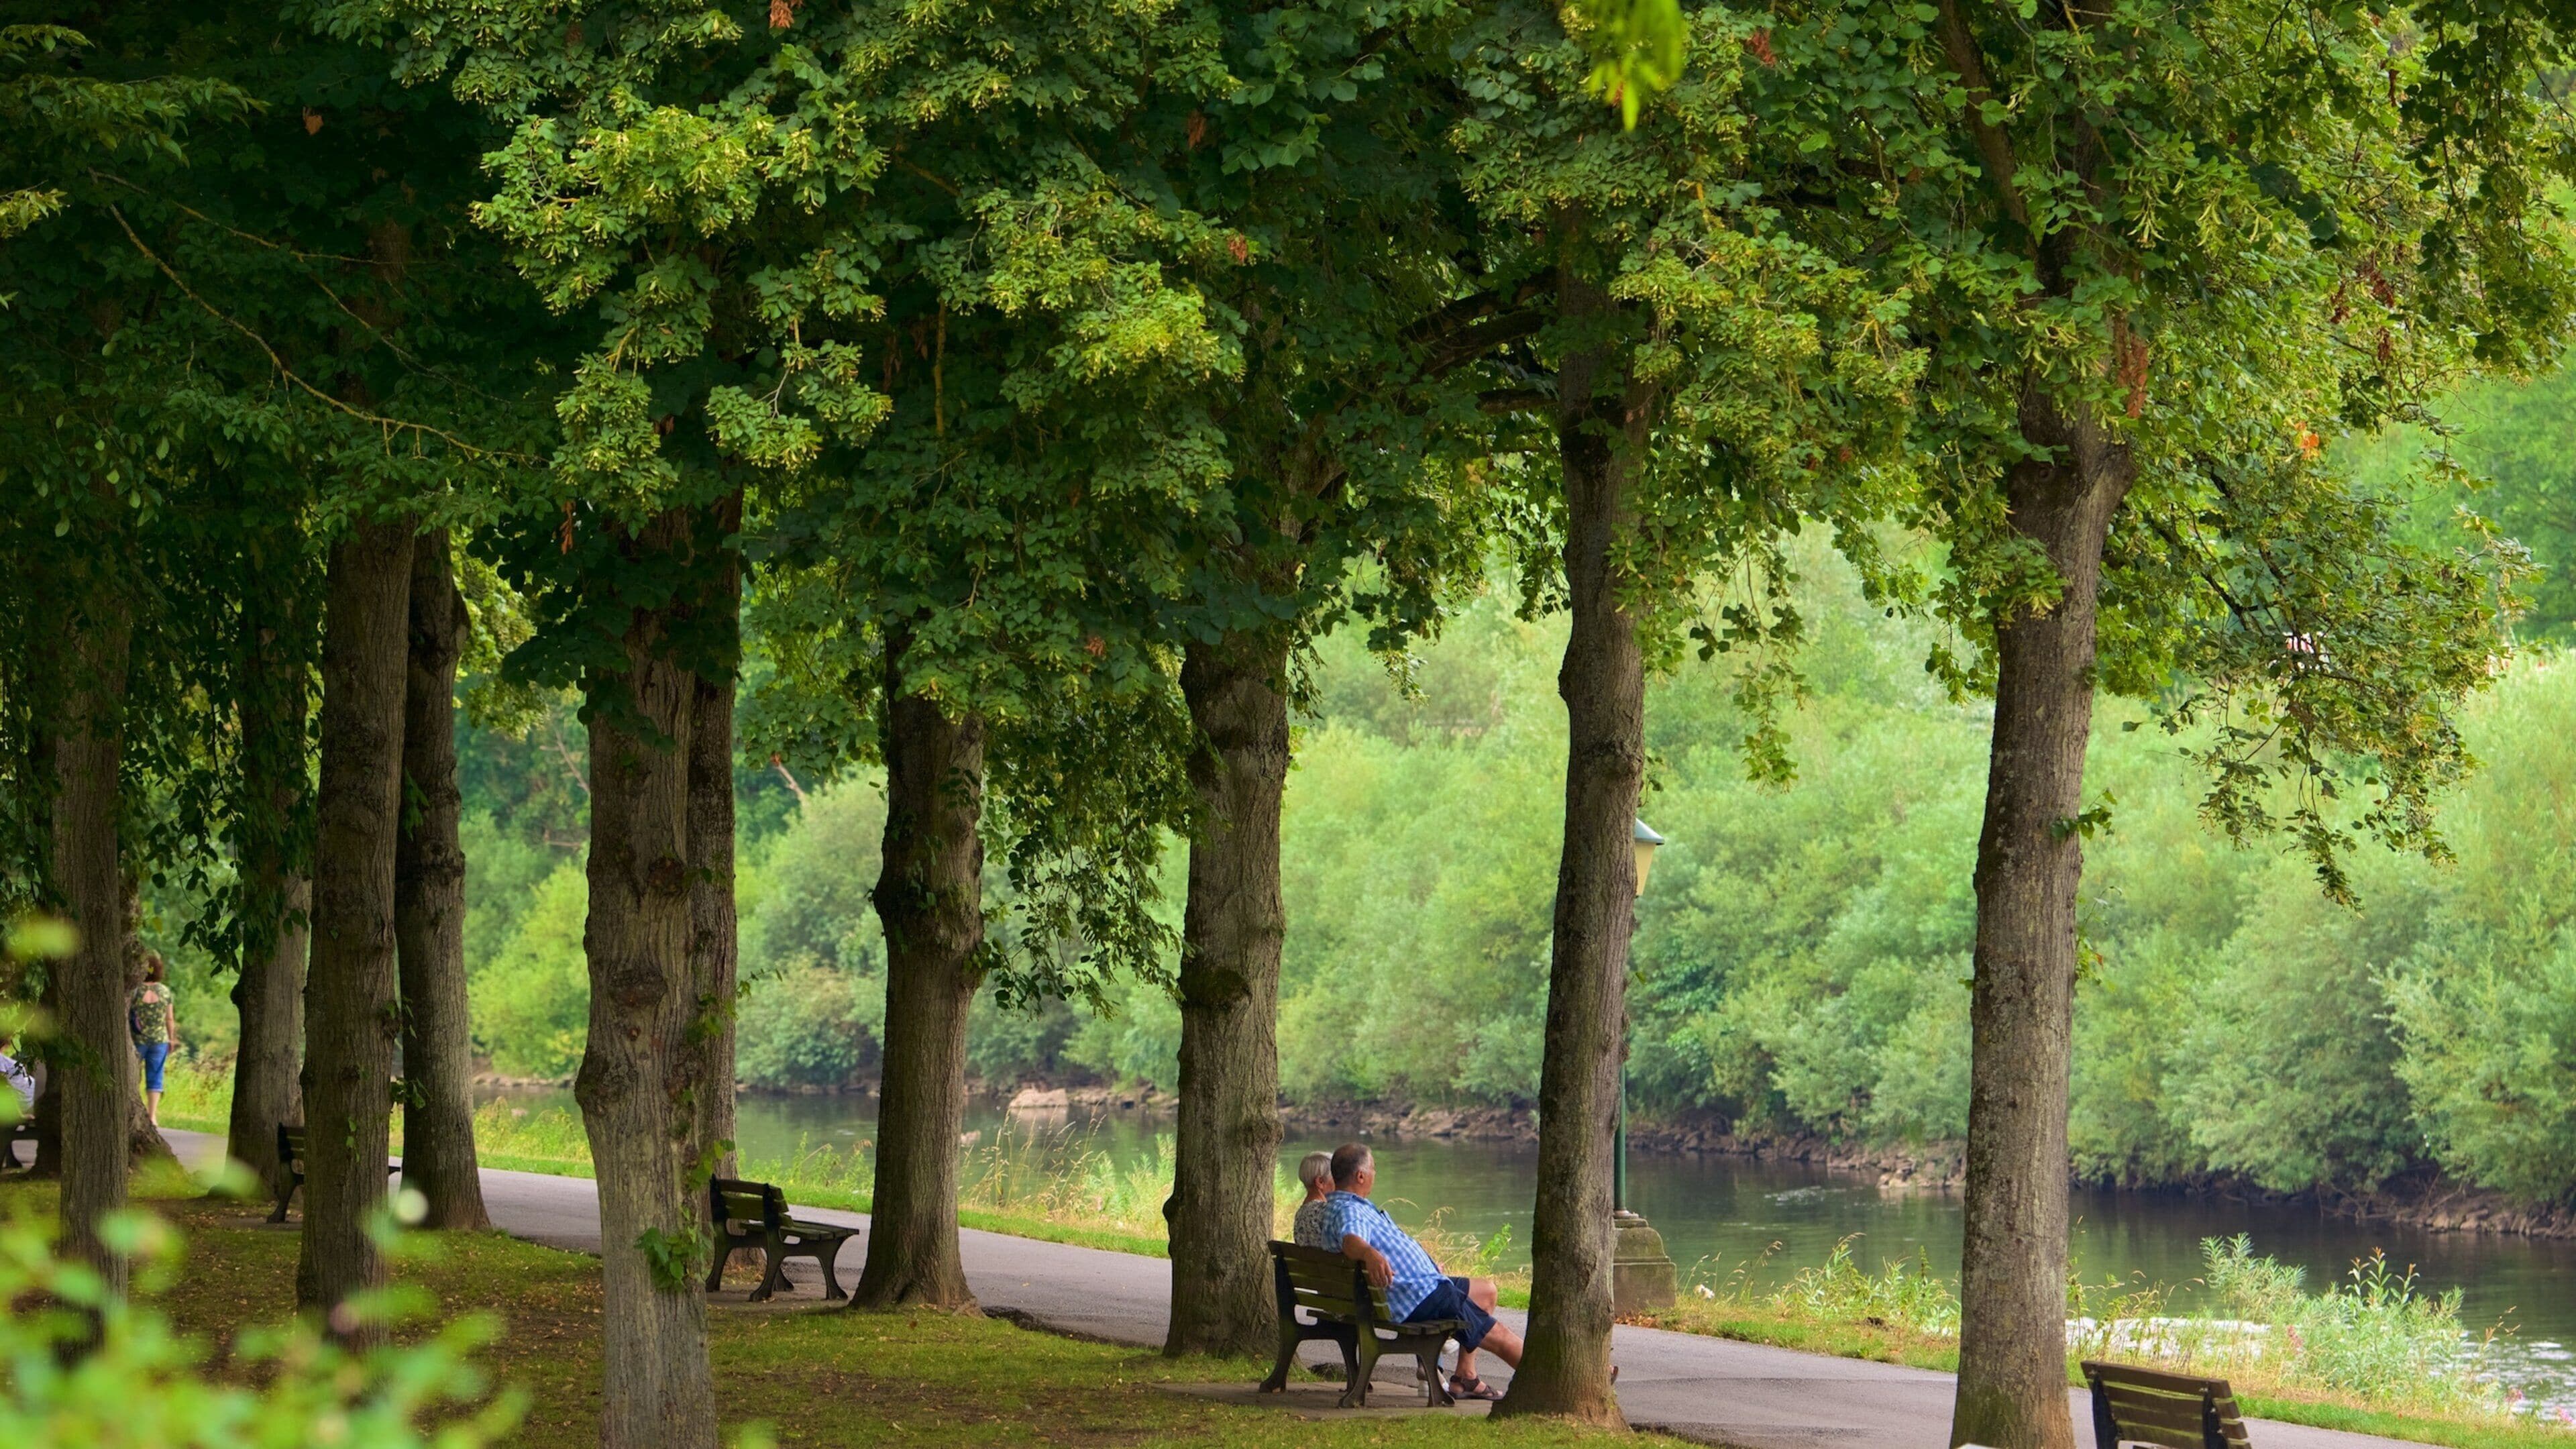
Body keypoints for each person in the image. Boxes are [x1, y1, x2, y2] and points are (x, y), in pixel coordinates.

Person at [1321, 1141, 1525, 1402]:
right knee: (1500, 1337)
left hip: (1415, 1287)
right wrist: (1369, 1254)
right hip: (1418, 1296)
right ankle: (1548, 1384)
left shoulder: (1337, 1206)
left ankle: (1465, 1377)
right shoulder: (1351, 1210)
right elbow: (1351, 1239)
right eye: (1373, 1168)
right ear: (1361, 1176)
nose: (1375, 1173)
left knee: (1485, 1292)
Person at [129, 953, 178, 1127]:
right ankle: (152, 1116)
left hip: (137, 1040)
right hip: (159, 1040)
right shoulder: (165, 991)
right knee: (156, 1077)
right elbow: (169, 1019)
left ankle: (133, 1111)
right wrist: (171, 1039)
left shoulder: (135, 991)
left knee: (132, 1074)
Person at [1291, 1151, 1336, 1247]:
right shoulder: (1326, 1212)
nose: (1340, 1182)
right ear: (1320, 1182)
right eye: (1336, 1177)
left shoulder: (1301, 1213)